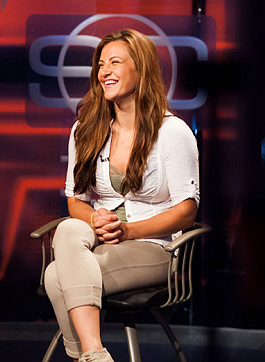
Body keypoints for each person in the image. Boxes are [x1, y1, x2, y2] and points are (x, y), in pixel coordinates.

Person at [44, 29, 200, 362]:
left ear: (140, 70)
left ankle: (84, 355)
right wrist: (95, 219)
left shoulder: (172, 132)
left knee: (55, 276)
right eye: (101, 64)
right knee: (70, 228)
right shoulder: (86, 128)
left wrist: (127, 231)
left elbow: (186, 212)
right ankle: (95, 353)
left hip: (154, 247)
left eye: (115, 62)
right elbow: (76, 201)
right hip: (97, 241)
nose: (105, 72)